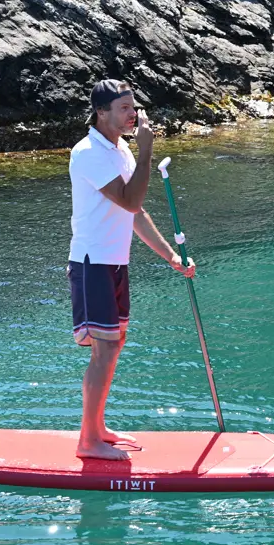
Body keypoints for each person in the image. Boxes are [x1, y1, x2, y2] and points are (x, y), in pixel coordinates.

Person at [67, 79, 196, 460]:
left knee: (115, 344)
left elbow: (136, 213)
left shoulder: (119, 149)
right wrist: (146, 153)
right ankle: (87, 442)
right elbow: (129, 200)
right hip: (92, 263)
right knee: (104, 349)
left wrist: (171, 255)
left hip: (116, 262)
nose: (133, 114)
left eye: (133, 107)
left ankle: (97, 428)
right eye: (124, 108)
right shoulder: (88, 152)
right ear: (101, 112)